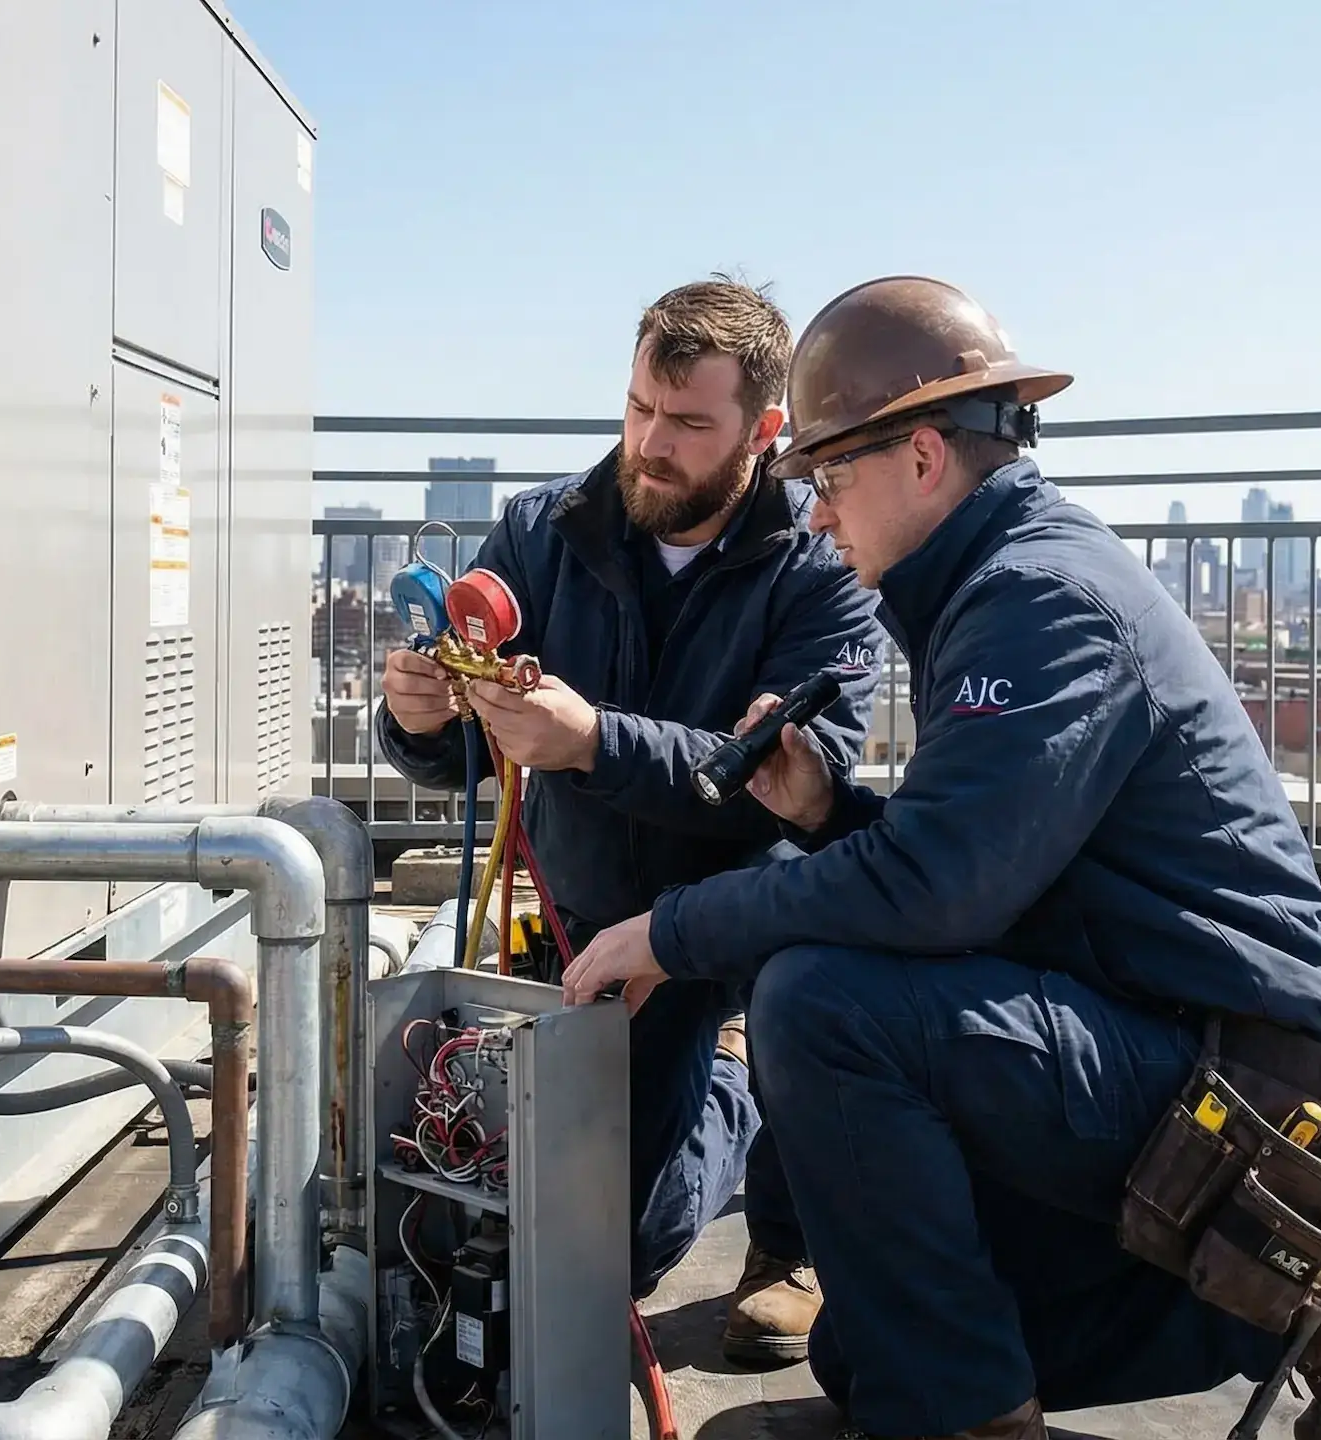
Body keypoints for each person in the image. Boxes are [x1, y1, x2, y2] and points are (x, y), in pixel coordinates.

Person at [561, 277, 1321, 1440]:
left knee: (817, 1001)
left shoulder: (1039, 600)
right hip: (1154, 1043)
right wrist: (824, 816)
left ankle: (986, 1414)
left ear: (920, 458)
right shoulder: (999, 579)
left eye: (830, 479)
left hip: (1235, 1087)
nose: (815, 515)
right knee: (870, 1357)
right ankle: (1287, 1298)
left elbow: (937, 890)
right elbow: (976, 877)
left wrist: (671, 930)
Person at [374, 277, 885, 1361]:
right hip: (599, 913)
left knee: (813, 1001)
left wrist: (593, 739)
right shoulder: (543, 530)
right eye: (639, 409)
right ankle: (724, 1094)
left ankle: (784, 1226)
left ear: (765, 430)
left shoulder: (822, 559)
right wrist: (420, 717)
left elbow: (803, 777)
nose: (651, 445)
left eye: (691, 424)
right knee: (612, 1248)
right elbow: (467, 745)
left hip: (748, 913)